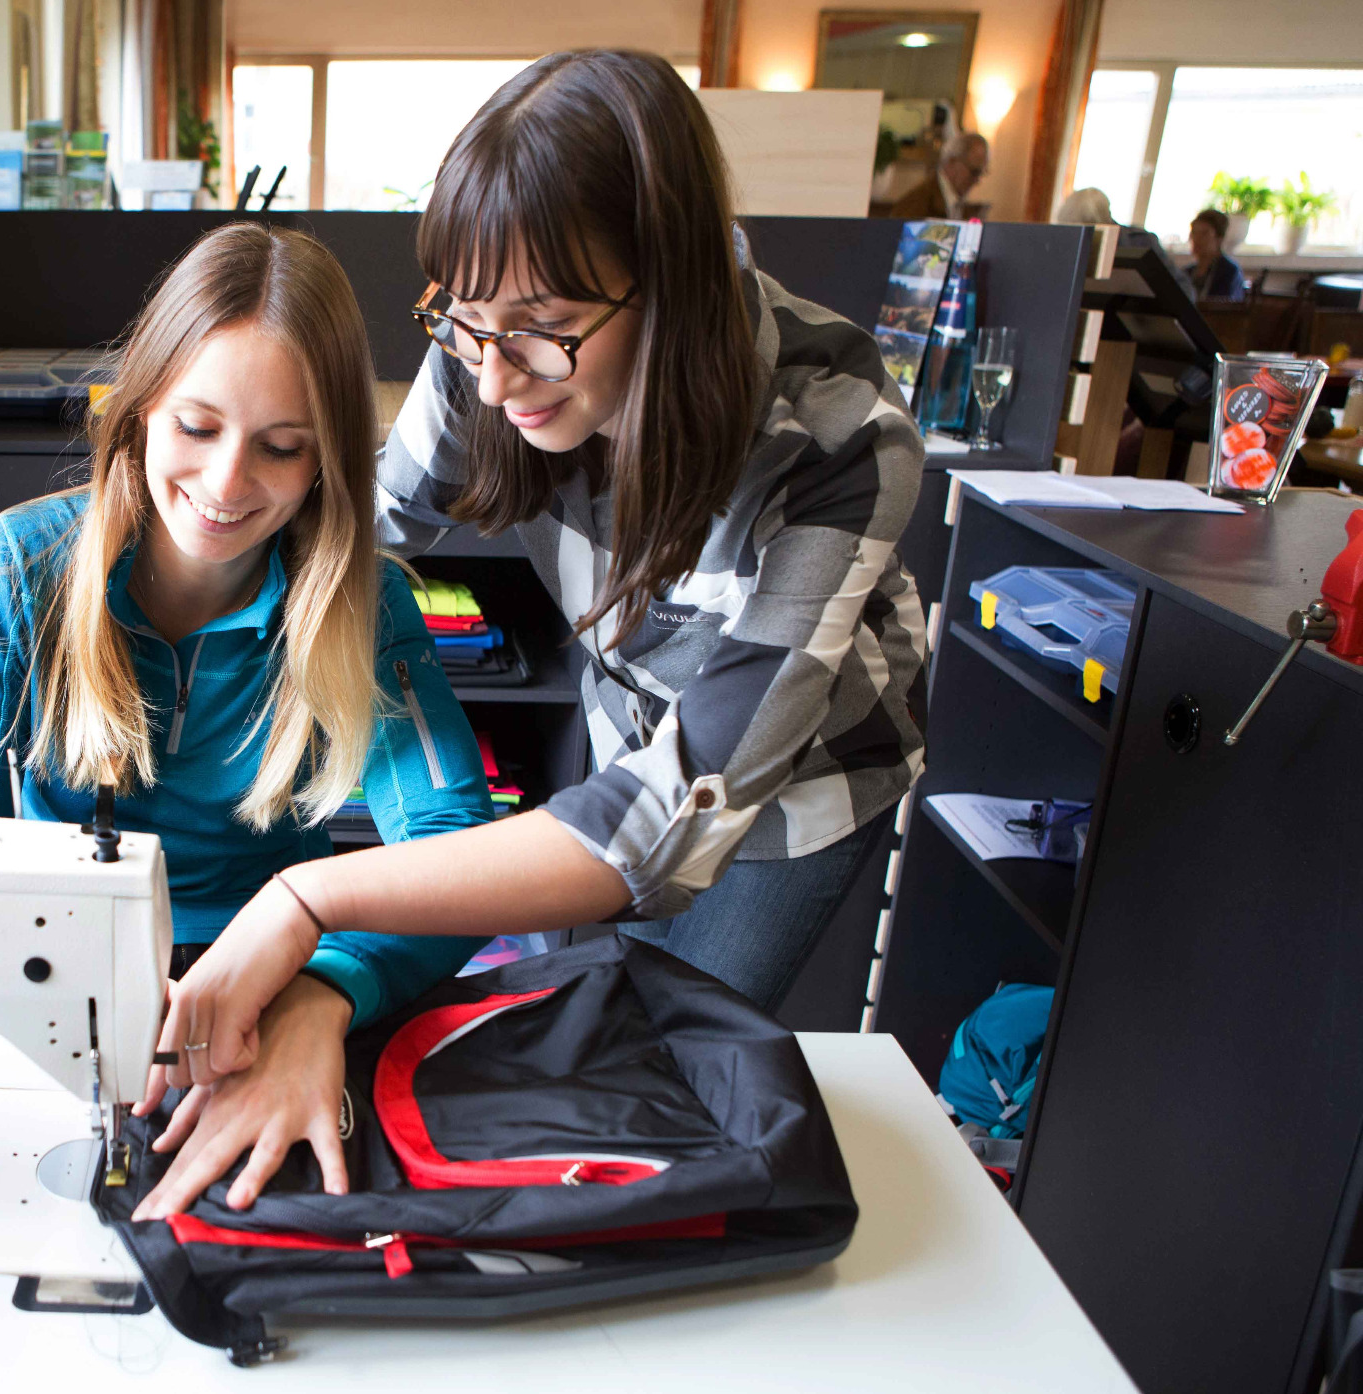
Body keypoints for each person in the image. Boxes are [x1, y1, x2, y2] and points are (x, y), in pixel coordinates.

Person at [145, 49, 927, 1212]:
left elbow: (664, 820)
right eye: (464, 323)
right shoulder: (493, 345)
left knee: (657, 1070)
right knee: (562, 1032)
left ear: (671, 286)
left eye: (543, 328)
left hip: (797, 779)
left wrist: (310, 901)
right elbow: (353, 517)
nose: (495, 374)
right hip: (631, 726)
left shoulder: (840, 441)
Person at [0, 222, 497, 1216]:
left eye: (281, 447)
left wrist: (326, 988)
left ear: (325, 464)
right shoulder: (17, 570)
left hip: (272, 980)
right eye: (196, 427)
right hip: (56, 970)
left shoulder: (367, 605)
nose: (228, 484)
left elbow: (458, 860)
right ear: (138, 410)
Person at [890, 131, 989, 219]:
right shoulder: (918, 203)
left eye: (981, 173)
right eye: (974, 172)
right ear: (952, 162)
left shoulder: (964, 206)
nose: (977, 181)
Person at [1186, 209, 1245, 301]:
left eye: (1204, 234)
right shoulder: (1187, 272)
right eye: (1194, 232)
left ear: (1219, 238)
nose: (1197, 239)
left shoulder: (1229, 272)